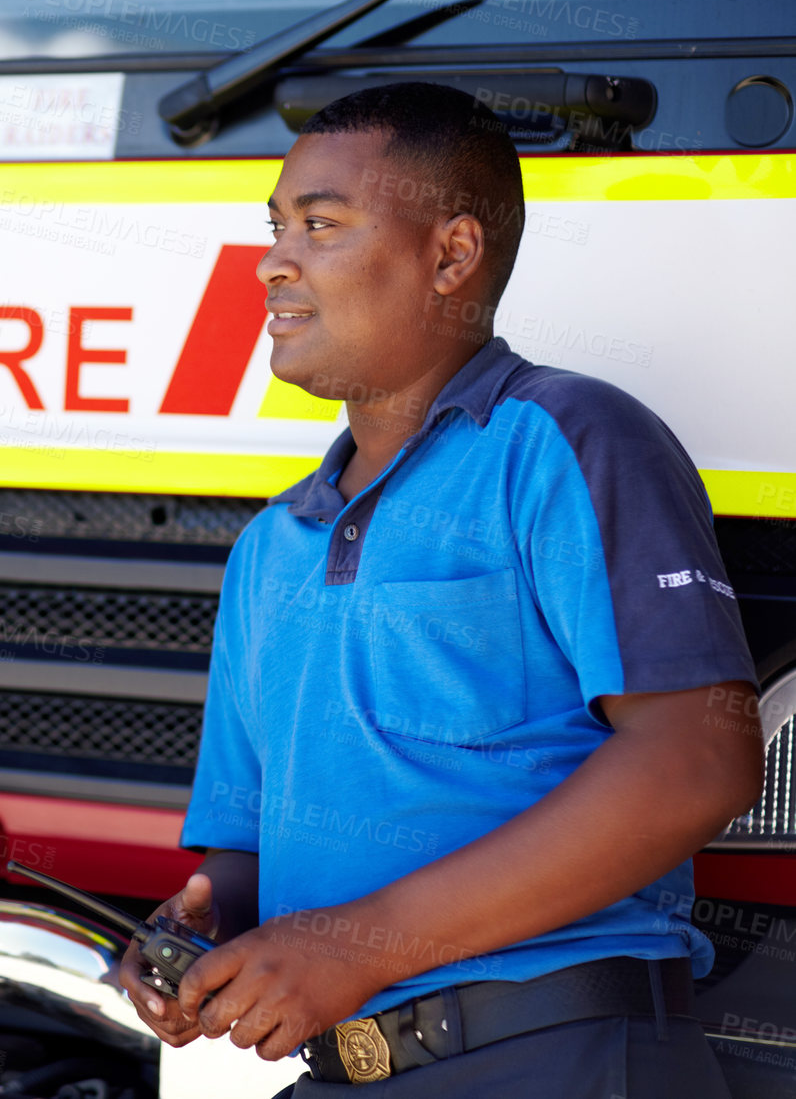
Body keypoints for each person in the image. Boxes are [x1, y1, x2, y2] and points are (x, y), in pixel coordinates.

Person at [119, 83, 764, 1096]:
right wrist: (192, 931)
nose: (272, 259)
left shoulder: (566, 440)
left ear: (451, 256)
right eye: (275, 226)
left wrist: (357, 947)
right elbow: (237, 854)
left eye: (320, 225)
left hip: (560, 1059)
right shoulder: (269, 545)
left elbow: (698, 757)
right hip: (335, 1071)